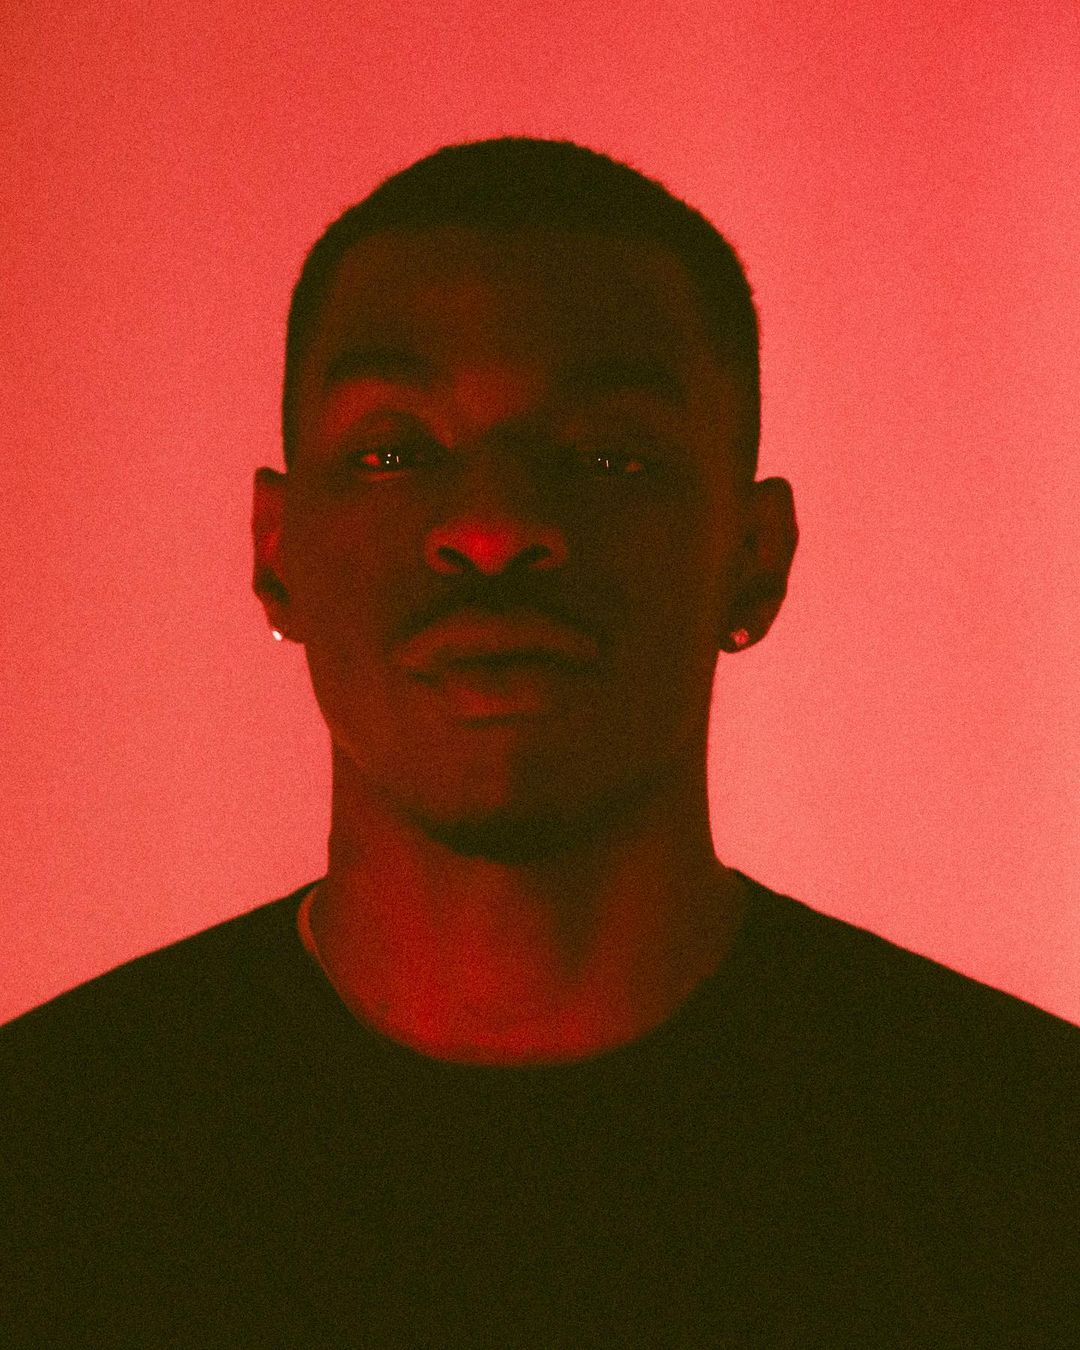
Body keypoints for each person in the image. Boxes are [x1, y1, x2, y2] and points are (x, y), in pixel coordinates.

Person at [3, 137, 1077, 1348]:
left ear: (756, 556)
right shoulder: (42, 1167)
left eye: (611, 454)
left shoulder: (1030, 1168)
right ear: (277, 550)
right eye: (394, 451)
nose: (494, 525)